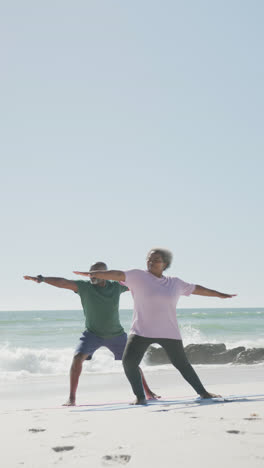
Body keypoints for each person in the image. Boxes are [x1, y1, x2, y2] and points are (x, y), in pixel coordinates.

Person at [74, 249, 237, 405]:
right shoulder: (138, 276)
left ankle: (203, 393)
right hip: (141, 331)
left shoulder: (175, 283)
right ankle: (140, 397)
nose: (151, 262)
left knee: (182, 364)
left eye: (156, 260)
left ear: (165, 264)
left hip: (168, 331)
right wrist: (94, 274)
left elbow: (197, 289)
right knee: (129, 363)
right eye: (149, 259)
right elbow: (117, 274)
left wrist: (219, 294)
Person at [24, 261, 158, 406]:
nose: (91, 276)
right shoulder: (85, 287)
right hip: (92, 334)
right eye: (90, 273)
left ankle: (148, 392)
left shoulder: (116, 286)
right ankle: (72, 398)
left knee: (132, 363)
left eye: (96, 273)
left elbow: (135, 280)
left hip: (116, 335)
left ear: (106, 275)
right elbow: (63, 282)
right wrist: (42, 279)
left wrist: (152, 276)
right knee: (77, 358)